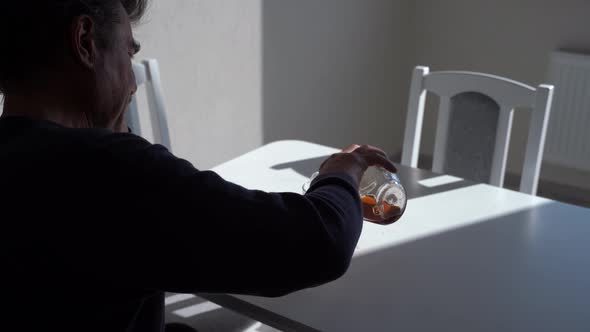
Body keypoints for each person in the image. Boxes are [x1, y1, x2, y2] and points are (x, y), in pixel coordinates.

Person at [0, 1, 396, 331]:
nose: (133, 84)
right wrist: (345, 168)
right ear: (85, 41)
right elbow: (318, 241)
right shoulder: (108, 171)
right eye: (128, 53)